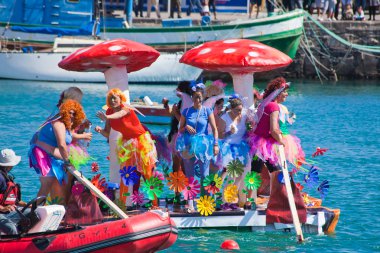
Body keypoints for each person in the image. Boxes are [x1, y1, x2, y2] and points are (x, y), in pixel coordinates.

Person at [95, 88, 157, 208]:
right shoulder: (109, 112)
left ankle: (155, 204)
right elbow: (108, 134)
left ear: (120, 99)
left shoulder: (126, 108)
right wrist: (100, 131)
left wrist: (108, 117)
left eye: (115, 98)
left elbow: (120, 114)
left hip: (141, 141)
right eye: (111, 98)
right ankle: (122, 205)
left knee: (148, 173)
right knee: (126, 174)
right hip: (127, 144)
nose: (113, 100)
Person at [29, 99, 86, 205]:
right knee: (47, 183)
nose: (72, 115)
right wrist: (67, 160)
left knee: (50, 183)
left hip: (49, 154)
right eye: (69, 112)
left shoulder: (64, 124)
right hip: (42, 154)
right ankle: (35, 211)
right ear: (64, 111)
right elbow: (62, 145)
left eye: (74, 113)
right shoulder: (59, 123)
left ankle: (43, 208)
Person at [246, 77, 289, 208]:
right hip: (266, 145)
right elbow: (274, 129)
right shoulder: (274, 106)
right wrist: (283, 142)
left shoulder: (264, 103)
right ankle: (280, 200)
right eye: (285, 92)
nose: (287, 94)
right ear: (279, 92)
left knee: (255, 172)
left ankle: (248, 201)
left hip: (257, 143)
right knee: (277, 172)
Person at [176, 83, 220, 212]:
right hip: (188, 145)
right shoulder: (186, 111)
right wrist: (185, 127)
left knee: (205, 176)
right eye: (195, 97)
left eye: (200, 97)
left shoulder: (207, 111)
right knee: (190, 176)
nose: (198, 100)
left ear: (203, 98)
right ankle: (190, 204)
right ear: (192, 97)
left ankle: (205, 202)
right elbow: (180, 129)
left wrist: (216, 144)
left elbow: (215, 129)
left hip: (204, 145)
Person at [0, 149, 28, 235]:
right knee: (11, 228)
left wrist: (31, 205)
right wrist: (2, 208)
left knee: (32, 212)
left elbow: (14, 200)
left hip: (5, 211)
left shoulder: (6, 176)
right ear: (9, 166)